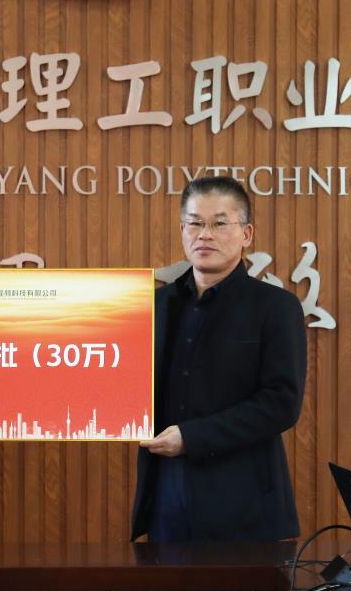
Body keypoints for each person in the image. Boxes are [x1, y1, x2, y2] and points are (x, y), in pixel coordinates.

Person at [130, 176, 306, 542]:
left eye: (219, 224)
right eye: (195, 223)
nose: (204, 235)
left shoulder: (275, 307)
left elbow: (281, 404)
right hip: (166, 495)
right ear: (182, 230)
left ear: (246, 234)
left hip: (244, 502)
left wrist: (191, 437)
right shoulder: (155, 305)